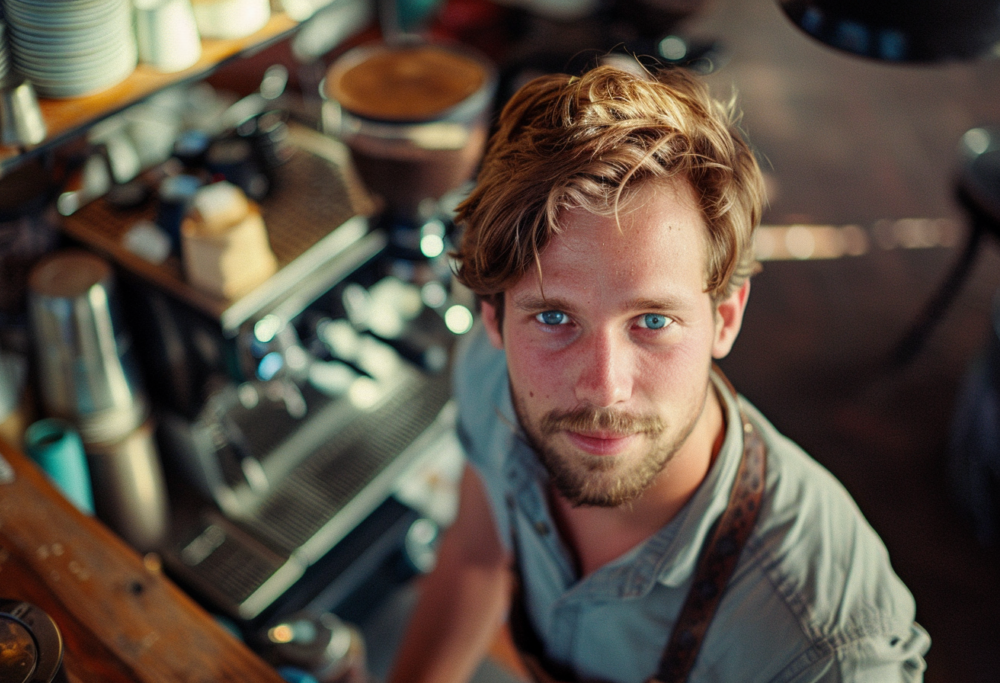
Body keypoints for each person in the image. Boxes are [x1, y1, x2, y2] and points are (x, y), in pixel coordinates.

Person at [387, 64, 931, 683]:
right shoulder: (494, 374)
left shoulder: (818, 647)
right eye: (556, 316)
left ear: (724, 318)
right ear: (494, 318)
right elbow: (475, 555)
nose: (604, 387)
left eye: (651, 321)